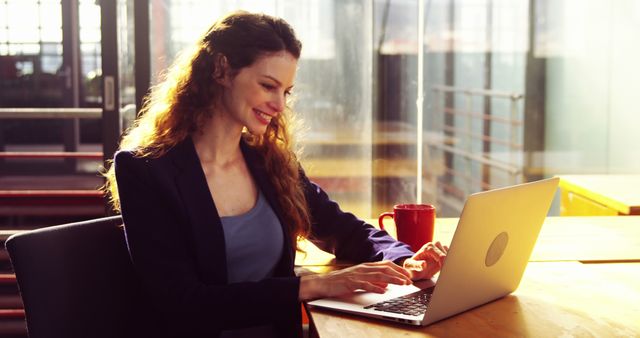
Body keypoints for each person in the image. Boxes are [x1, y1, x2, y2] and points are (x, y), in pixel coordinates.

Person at [104, 10, 447, 338]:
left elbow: (341, 228)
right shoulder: (146, 170)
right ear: (222, 70)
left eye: (286, 91)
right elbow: (184, 304)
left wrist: (404, 258)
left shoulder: (268, 161)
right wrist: (314, 285)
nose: (280, 105)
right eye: (268, 86)